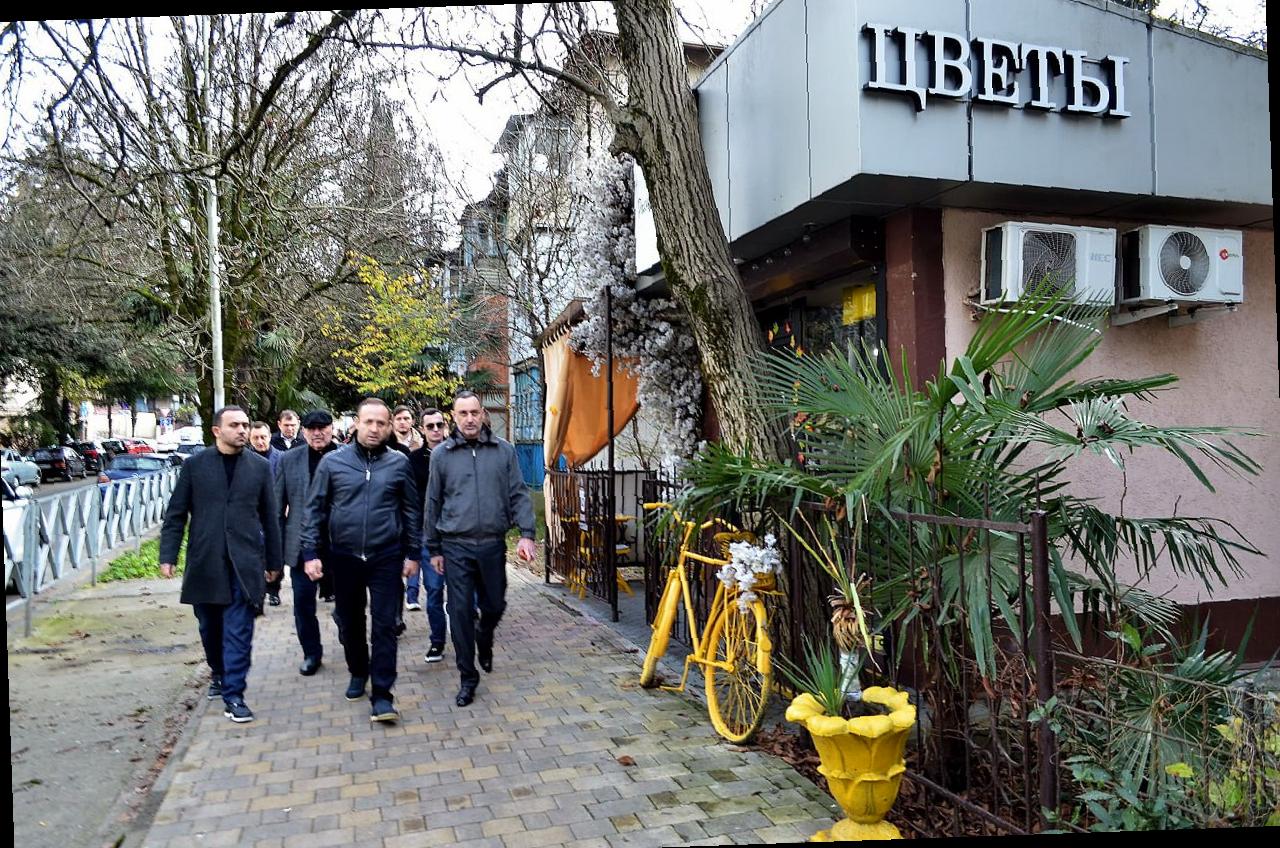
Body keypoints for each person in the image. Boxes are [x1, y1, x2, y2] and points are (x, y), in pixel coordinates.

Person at [300, 398, 421, 723]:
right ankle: (357, 670)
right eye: (369, 422)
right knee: (350, 621)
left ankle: (382, 695)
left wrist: (413, 553)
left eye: (381, 423)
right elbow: (314, 509)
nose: (374, 428)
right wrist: (310, 553)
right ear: (356, 423)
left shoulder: (399, 463)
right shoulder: (333, 463)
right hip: (345, 556)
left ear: (389, 426)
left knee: (385, 625)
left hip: (386, 556)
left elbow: (411, 510)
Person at [158, 406, 282, 723]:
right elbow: (176, 514)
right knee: (210, 628)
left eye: (245, 425)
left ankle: (234, 695)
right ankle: (219, 672)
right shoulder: (195, 466)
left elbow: (270, 517)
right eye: (234, 425)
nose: (242, 430)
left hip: (245, 564)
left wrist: (274, 561)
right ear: (216, 431)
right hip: (206, 562)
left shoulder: (258, 467)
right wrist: (168, 555)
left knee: (239, 631)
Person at [425, 389, 536, 707]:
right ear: (454, 417)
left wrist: (527, 533)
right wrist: (434, 548)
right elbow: (433, 501)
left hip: (491, 543)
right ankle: (467, 677)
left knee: (495, 604)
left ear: (483, 414)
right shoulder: (441, 455)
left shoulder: (503, 451)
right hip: (455, 545)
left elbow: (518, 493)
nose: (470, 419)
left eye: (475, 412)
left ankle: (484, 636)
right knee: (459, 611)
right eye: (463, 413)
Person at [274, 409, 341, 676]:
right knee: (303, 604)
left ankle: (348, 631)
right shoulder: (290, 460)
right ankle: (312, 653)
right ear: (303, 431)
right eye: (311, 428)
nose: (317, 433)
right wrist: (276, 551)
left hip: (341, 544)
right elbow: (277, 507)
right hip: (303, 546)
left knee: (348, 602)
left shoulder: (346, 456)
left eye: (322, 428)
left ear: (331, 428)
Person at [407, 407, 450, 662]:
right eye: (430, 426)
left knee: (461, 591)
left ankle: (464, 635)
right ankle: (437, 641)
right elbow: (410, 502)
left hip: (456, 535)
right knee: (433, 591)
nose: (435, 430)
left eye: (439, 425)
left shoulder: (457, 454)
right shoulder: (414, 460)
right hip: (427, 536)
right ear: (422, 429)